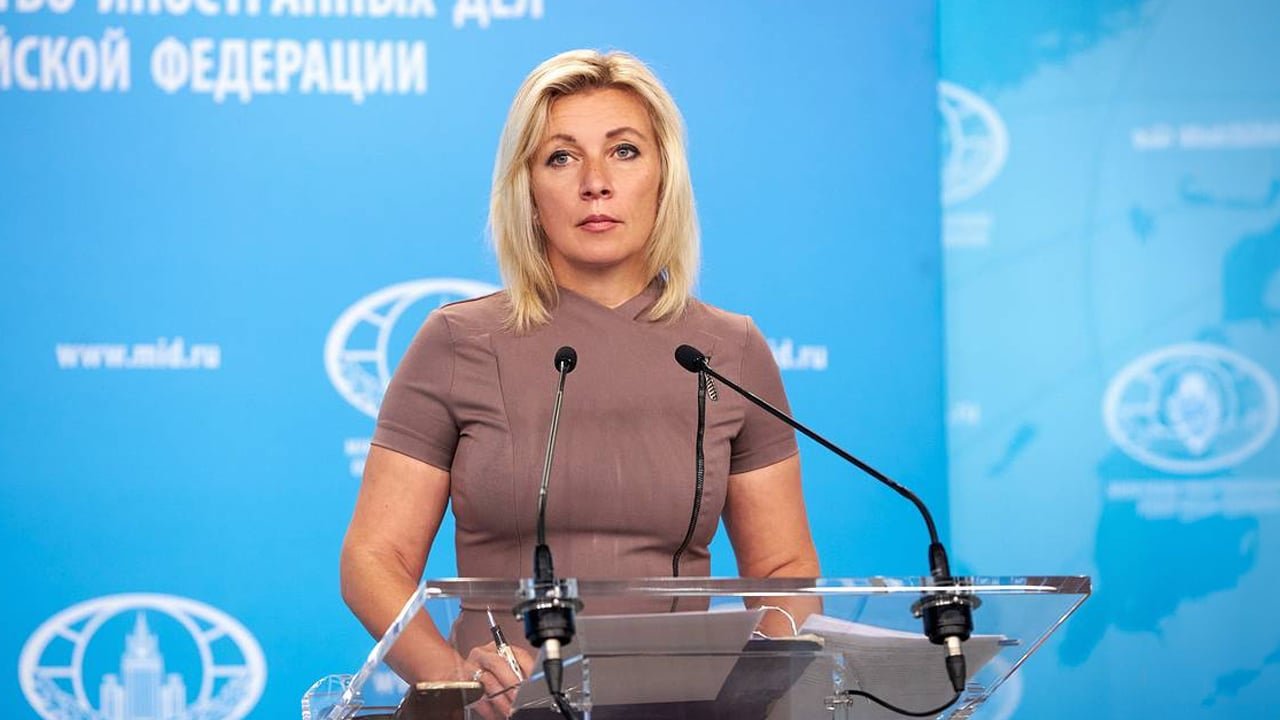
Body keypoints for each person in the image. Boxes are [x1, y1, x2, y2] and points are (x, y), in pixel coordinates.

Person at [340, 49, 820, 719]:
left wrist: (753, 691)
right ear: (528, 190)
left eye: (624, 152)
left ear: (664, 177)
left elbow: (783, 570)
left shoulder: (728, 350)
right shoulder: (457, 341)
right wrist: (455, 681)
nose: (596, 183)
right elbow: (374, 557)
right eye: (561, 157)